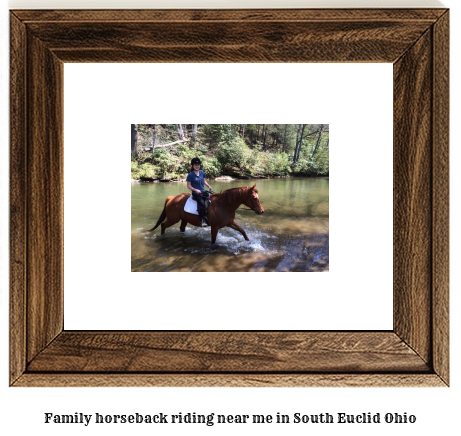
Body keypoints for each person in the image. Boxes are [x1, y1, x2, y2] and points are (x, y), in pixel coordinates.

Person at [186, 157, 213, 227]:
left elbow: (204, 181)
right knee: (202, 204)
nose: (197, 166)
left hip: (203, 191)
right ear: (193, 166)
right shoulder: (190, 175)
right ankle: (202, 220)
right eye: (195, 165)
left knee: (213, 199)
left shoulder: (201, 172)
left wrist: (209, 186)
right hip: (196, 193)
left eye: (198, 165)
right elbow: (188, 186)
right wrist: (196, 190)